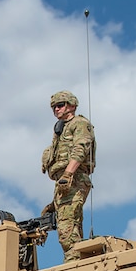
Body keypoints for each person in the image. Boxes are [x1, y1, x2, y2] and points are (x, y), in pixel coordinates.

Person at [41, 90, 95, 262]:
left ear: (72, 105)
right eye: (53, 107)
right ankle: (76, 265)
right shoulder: (60, 129)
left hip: (74, 178)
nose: (56, 109)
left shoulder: (79, 123)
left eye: (60, 105)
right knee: (70, 227)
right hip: (65, 183)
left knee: (67, 230)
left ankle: (74, 268)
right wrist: (54, 203)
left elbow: (80, 148)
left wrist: (68, 173)